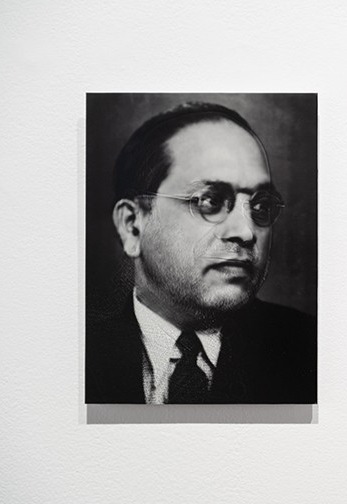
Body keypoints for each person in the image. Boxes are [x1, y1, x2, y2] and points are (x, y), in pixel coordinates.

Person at [86, 102, 317, 404]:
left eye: (261, 206)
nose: (246, 232)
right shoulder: (71, 350)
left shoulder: (309, 350)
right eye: (209, 201)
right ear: (132, 225)